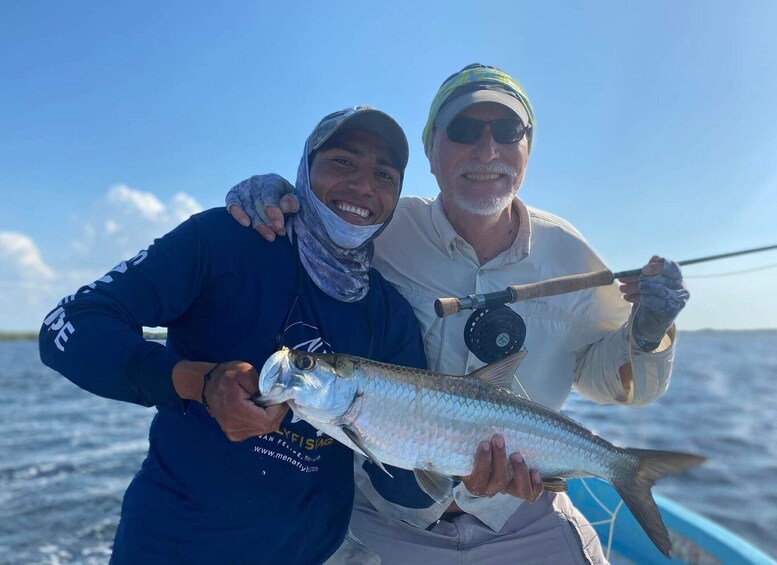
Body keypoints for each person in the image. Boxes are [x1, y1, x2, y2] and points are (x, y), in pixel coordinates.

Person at [224, 64, 689, 564]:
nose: (487, 151)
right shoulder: (381, 226)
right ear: (431, 149)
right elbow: (307, 248)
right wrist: (278, 204)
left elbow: (616, 384)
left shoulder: (571, 255)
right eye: (465, 130)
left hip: (523, 509)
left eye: (508, 132)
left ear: (528, 148)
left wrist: (648, 330)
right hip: (385, 515)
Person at [38, 106, 428, 564]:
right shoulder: (227, 238)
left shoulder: (391, 314)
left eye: (384, 175)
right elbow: (68, 323)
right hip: (175, 548)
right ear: (305, 166)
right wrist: (197, 383)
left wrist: (474, 468)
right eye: (343, 161)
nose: (363, 186)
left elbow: (402, 485)